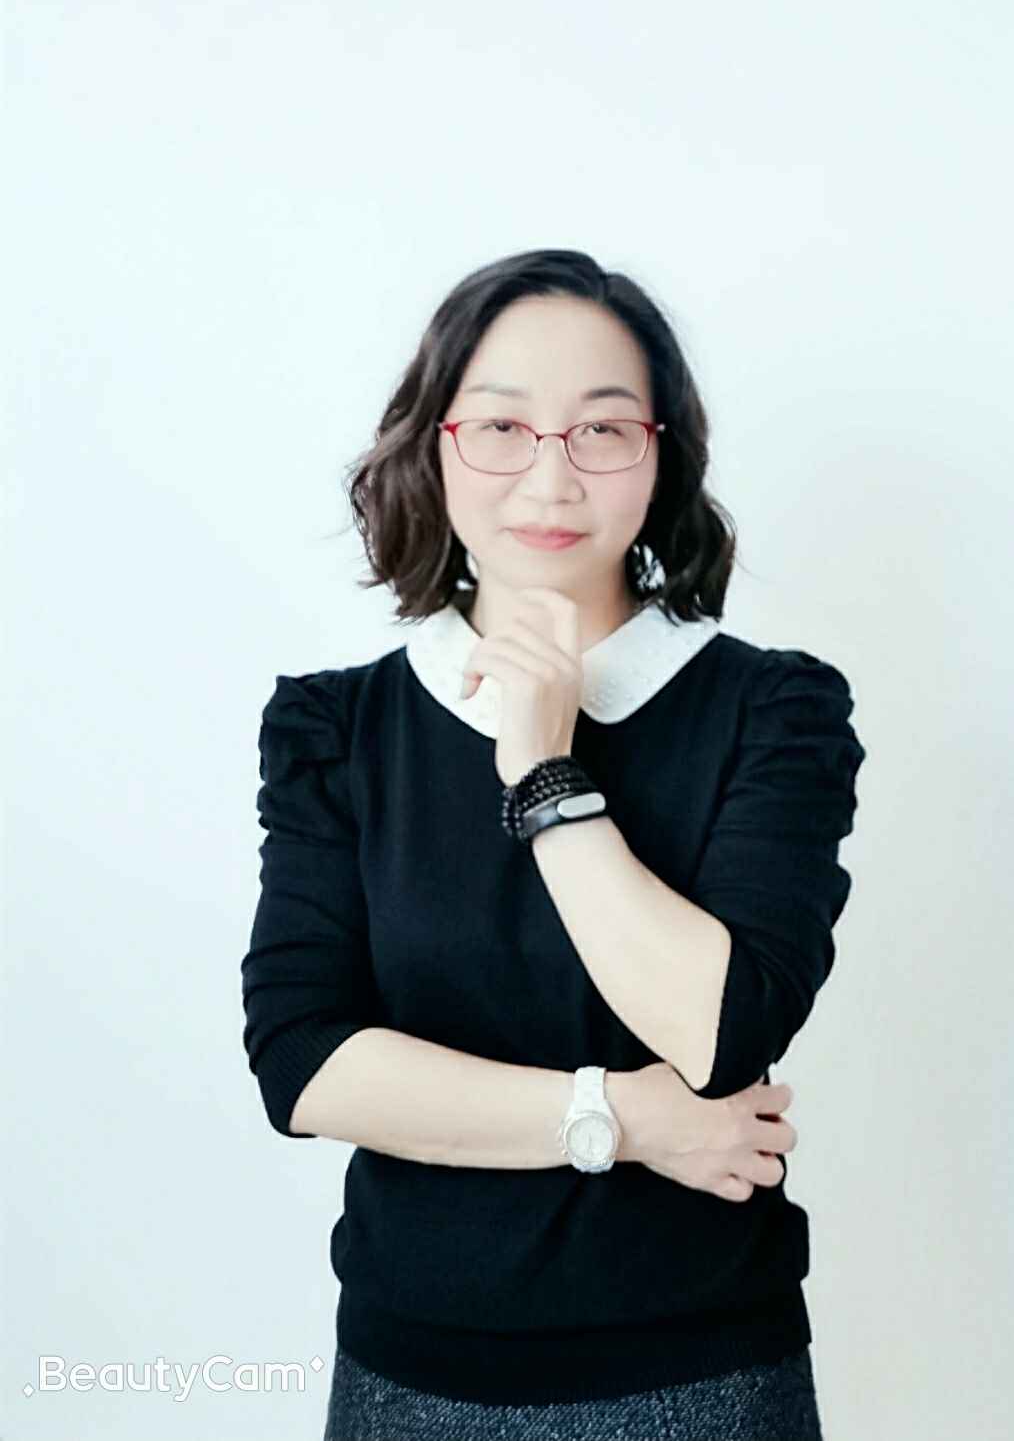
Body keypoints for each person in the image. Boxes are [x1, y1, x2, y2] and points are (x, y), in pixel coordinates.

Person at [240, 248, 867, 1441]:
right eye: (501, 427)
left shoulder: (774, 710)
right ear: (434, 445)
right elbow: (305, 1064)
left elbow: (718, 1030)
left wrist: (545, 769)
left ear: (662, 454)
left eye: (602, 430)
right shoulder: (338, 728)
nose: (550, 477)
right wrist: (621, 1118)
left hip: (703, 1377)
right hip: (408, 1373)